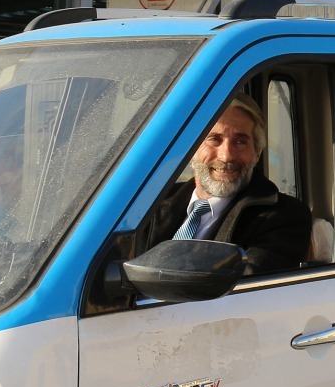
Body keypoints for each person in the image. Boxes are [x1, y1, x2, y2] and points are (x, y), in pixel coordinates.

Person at [132, 92, 311, 275]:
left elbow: (242, 292)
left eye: (240, 142)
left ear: (257, 153)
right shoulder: (149, 203)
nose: (226, 156)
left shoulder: (284, 216)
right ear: (192, 148)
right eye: (214, 139)